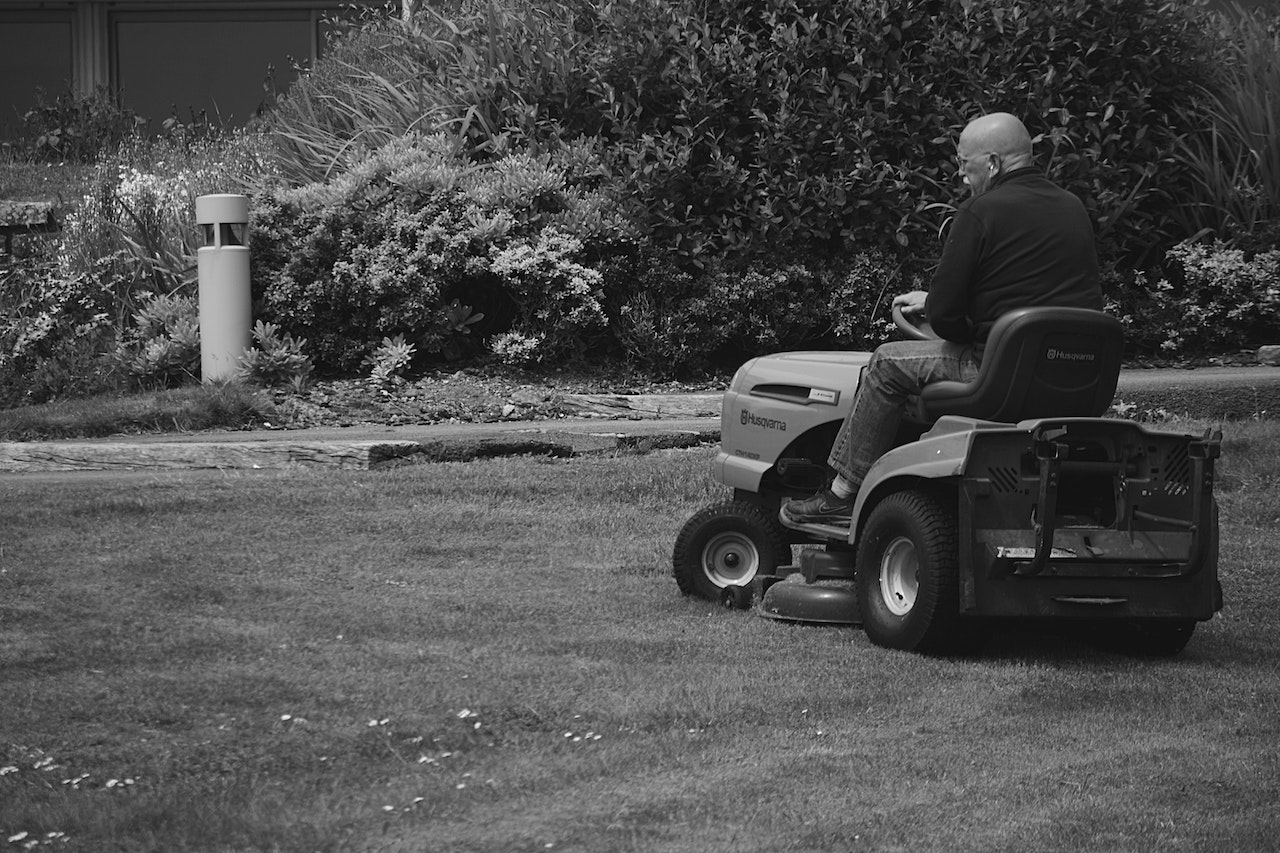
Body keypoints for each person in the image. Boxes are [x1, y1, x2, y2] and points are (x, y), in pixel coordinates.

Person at [780, 111, 1104, 529]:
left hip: (997, 374)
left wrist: (942, 312)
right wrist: (936, 302)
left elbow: (949, 322)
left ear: (992, 164)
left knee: (885, 363)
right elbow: (1033, 287)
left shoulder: (979, 212)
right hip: (1072, 374)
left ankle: (842, 494)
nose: (960, 176)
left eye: (965, 166)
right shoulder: (1072, 208)